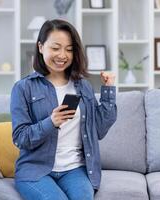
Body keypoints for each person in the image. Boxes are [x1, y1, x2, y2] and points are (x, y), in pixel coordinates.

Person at [10, 19, 117, 200]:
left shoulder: (83, 86)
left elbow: (98, 130)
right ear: (41, 47)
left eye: (69, 49)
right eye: (56, 48)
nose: (62, 55)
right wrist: (50, 122)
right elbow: (20, 138)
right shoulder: (23, 88)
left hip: (75, 169)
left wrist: (108, 90)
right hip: (36, 171)